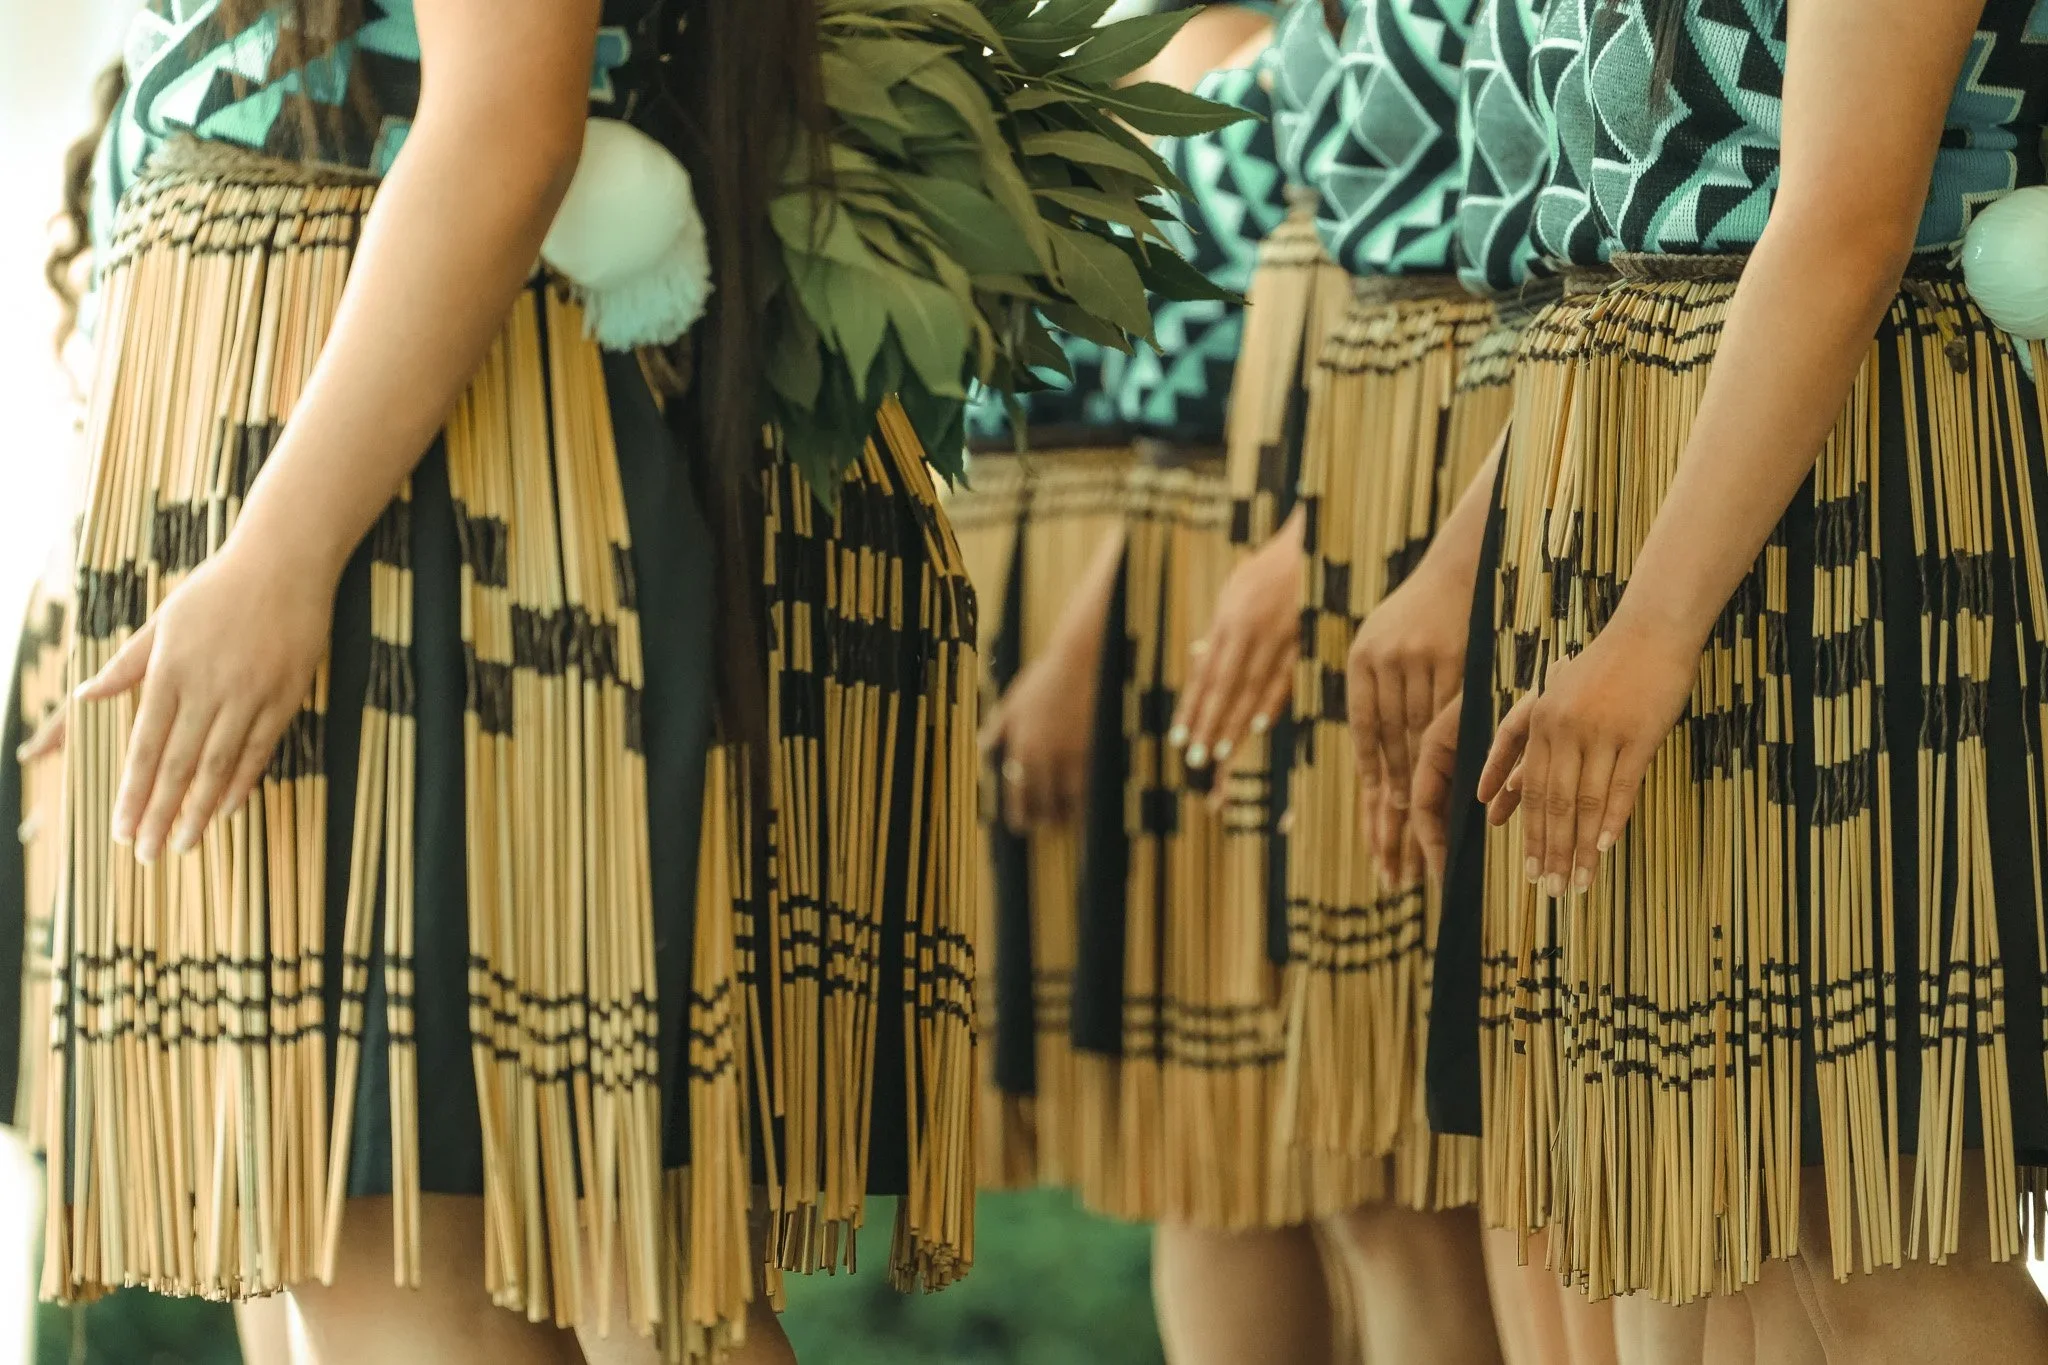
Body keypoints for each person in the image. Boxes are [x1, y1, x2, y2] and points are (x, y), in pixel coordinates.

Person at [3, 2, 1224, 1362]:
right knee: (570, 1269)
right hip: (404, 474)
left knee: (440, 1258)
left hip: (425, 497)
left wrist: (280, 556)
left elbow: (503, 123)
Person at [1416, 1, 2048, 1361]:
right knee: (1710, 1220)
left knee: (1873, 1209)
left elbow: (1846, 222)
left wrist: (1649, 630)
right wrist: (1507, 594)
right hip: (1645, 503)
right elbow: (1622, 262)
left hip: (1864, 490)